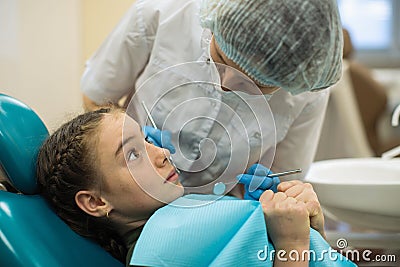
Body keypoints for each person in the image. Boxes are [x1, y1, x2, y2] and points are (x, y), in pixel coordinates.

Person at [36, 108, 355, 266]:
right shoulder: (158, 254)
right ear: (94, 202)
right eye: (132, 154)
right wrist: (293, 242)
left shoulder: (185, 219)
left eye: (147, 140)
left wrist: (313, 225)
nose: (161, 154)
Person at [80, 0, 343, 189]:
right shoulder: (164, 12)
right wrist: (132, 144)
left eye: (252, 85)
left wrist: (267, 193)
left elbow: (285, 176)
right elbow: (95, 96)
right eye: (218, 58)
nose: (224, 84)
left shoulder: (305, 88)